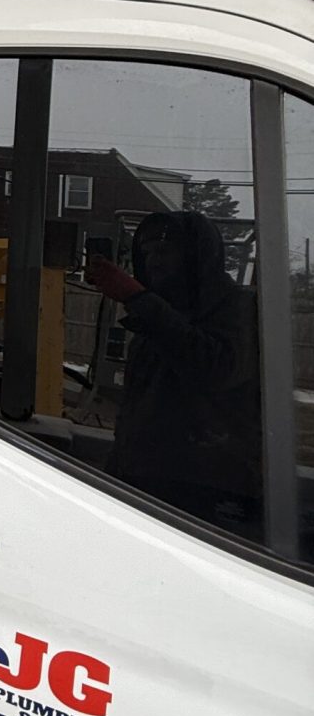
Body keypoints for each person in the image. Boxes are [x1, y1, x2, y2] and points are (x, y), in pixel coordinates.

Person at [85, 211, 262, 538]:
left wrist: (138, 298)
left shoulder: (237, 307)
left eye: (165, 250)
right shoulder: (160, 312)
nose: (154, 261)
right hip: (146, 484)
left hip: (207, 492)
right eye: (147, 252)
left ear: (196, 255)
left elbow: (216, 369)